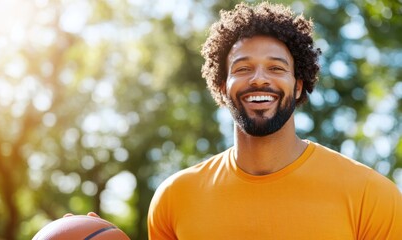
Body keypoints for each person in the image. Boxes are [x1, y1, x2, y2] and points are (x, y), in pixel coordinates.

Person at [147, 2, 402, 239]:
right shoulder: (174, 198)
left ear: (299, 86)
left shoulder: (371, 196)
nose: (259, 79)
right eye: (243, 68)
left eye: (276, 68)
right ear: (223, 87)